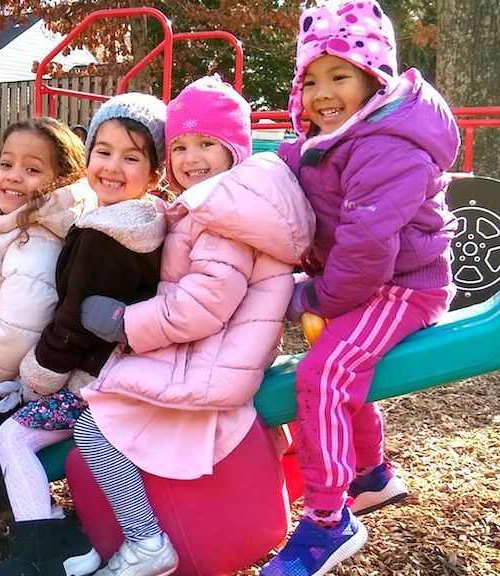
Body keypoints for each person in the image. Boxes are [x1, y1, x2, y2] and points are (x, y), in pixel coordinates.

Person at [75, 75, 314, 576]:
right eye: (180, 145)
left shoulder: (224, 215)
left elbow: (203, 305)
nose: (190, 157)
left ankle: (145, 540)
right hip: (219, 350)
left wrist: (126, 323)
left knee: (94, 424)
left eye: (207, 143)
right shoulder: (227, 205)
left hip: (210, 357)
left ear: (235, 150)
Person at [260, 2, 460, 575]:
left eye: (340, 76)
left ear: (374, 78)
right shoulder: (342, 137)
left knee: (323, 372)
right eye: (311, 80)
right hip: (366, 279)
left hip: (403, 286)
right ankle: (372, 475)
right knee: (341, 362)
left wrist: (315, 297)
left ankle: (328, 521)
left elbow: (369, 246)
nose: (323, 93)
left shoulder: (387, 145)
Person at [0, 92, 168, 576]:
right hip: (117, 371)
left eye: (131, 157)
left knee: (12, 438)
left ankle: (43, 547)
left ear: (154, 175)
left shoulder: (104, 238)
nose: (111, 166)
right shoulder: (141, 221)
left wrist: (34, 378)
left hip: (92, 383)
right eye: (103, 152)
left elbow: (71, 324)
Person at [0, 117, 96, 524]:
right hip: (19, 375)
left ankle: (47, 525)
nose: (13, 177)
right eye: (6, 163)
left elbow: (18, 331)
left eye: (32, 169)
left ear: (60, 179)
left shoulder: (39, 239)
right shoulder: (18, 227)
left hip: (33, 381)